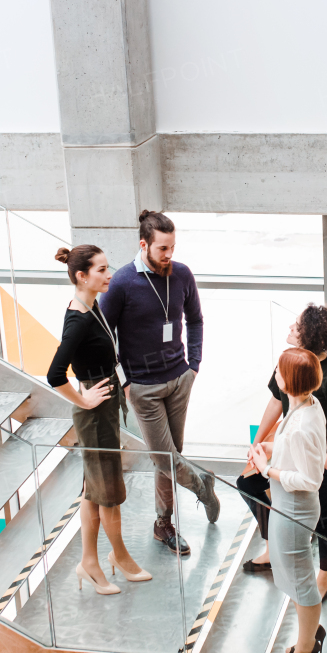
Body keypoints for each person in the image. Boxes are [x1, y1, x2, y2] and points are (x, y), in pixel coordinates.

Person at [101, 211, 221, 556]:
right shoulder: (122, 282)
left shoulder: (181, 274)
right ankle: (203, 487)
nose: (169, 254)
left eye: (172, 247)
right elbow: (103, 335)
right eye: (163, 248)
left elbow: (195, 320)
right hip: (143, 387)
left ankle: (162, 522)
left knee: (169, 456)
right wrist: (124, 382)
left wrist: (193, 366)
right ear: (144, 245)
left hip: (179, 379)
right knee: (164, 458)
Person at [47, 244, 150, 595]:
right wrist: (82, 398)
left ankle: (89, 562)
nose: (109, 275)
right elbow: (54, 373)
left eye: (108, 268)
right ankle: (118, 556)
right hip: (94, 413)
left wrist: (119, 386)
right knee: (109, 492)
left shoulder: (93, 308)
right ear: (82, 276)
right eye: (102, 270)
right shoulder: (77, 318)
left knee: (94, 490)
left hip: (104, 406)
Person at [238, 305, 327, 600]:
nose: (291, 328)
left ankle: (325, 576)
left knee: (325, 515)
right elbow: (275, 402)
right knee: (248, 484)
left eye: (297, 326)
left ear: (310, 336)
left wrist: (324, 464)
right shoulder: (290, 363)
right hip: (288, 450)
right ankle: (271, 547)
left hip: (323, 460)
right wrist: (258, 442)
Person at [248, 348, 327, 653]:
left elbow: (311, 479)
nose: (275, 375)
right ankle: (308, 635)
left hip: (293, 509)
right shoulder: (307, 404)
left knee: (301, 582)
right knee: (297, 579)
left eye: (279, 371)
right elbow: (296, 451)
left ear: (288, 381)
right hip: (288, 507)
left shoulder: (300, 425)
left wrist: (268, 470)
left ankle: (307, 646)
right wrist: (272, 451)